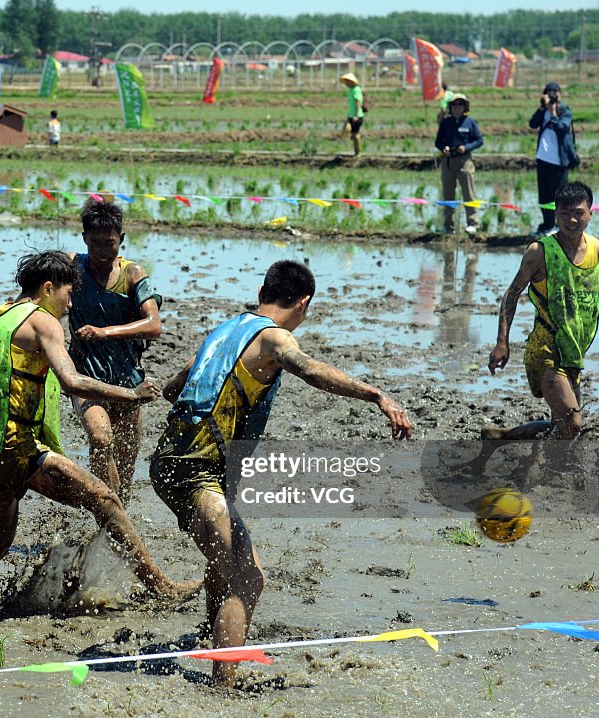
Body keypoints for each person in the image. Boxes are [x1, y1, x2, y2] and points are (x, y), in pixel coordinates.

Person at [152, 260, 413, 687]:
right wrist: (376, 395)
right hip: (194, 471)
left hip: (174, 462)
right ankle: (223, 688)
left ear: (262, 290)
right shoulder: (275, 336)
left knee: (223, 557)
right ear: (304, 302)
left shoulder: (225, 329)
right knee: (248, 575)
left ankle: (212, 634)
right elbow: (309, 369)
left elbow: (174, 385)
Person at [0, 250, 198, 615]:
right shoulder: (43, 322)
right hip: (18, 447)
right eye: (69, 294)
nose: (71, 304)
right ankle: (161, 587)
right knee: (107, 501)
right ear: (48, 287)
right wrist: (130, 394)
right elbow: (71, 381)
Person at [487, 181, 599, 441]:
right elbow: (511, 295)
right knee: (573, 424)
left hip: (573, 353)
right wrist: (502, 343)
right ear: (555, 214)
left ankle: (501, 439)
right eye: (565, 213)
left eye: (578, 212)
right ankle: (534, 469)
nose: (571, 220)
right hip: (544, 350)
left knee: (564, 427)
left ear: (591, 213)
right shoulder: (540, 252)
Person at [68, 200, 161, 504]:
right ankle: (103, 509)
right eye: (95, 243)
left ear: (121, 238)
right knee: (99, 438)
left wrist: (104, 331)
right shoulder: (72, 268)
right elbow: (39, 292)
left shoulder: (132, 274)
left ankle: (114, 517)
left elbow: (153, 324)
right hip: (85, 377)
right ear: (84, 238)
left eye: (109, 243)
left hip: (127, 380)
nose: (102, 250)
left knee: (125, 465)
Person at [528, 82, 577, 236]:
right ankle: (547, 224)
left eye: (556, 92)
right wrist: (543, 108)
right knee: (544, 195)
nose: (553, 95)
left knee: (560, 196)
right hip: (543, 159)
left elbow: (562, 128)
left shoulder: (564, 111)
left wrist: (554, 112)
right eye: (549, 93)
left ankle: (559, 226)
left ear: (560, 95)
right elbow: (532, 124)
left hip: (559, 161)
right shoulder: (543, 111)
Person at [434, 93, 483, 235]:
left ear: (464, 107)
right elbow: (438, 142)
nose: (457, 107)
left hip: (465, 161)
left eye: (460, 104)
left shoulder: (470, 122)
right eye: (454, 104)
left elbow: (479, 140)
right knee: (448, 194)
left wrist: (466, 147)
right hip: (448, 162)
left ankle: (473, 223)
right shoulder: (445, 122)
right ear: (451, 107)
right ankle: (448, 225)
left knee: (469, 193)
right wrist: (444, 148)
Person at [340, 72, 364, 156]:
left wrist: (356, 115)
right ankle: (355, 151)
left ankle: (358, 153)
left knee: (355, 135)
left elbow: (358, 103)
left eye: (348, 81)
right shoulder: (350, 90)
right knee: (347, 131)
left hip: (357, 116)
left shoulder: (356, 90)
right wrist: (349, 116)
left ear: (352, 81)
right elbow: (351, 105)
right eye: (346, 81)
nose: (346, 83)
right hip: (351, 115)